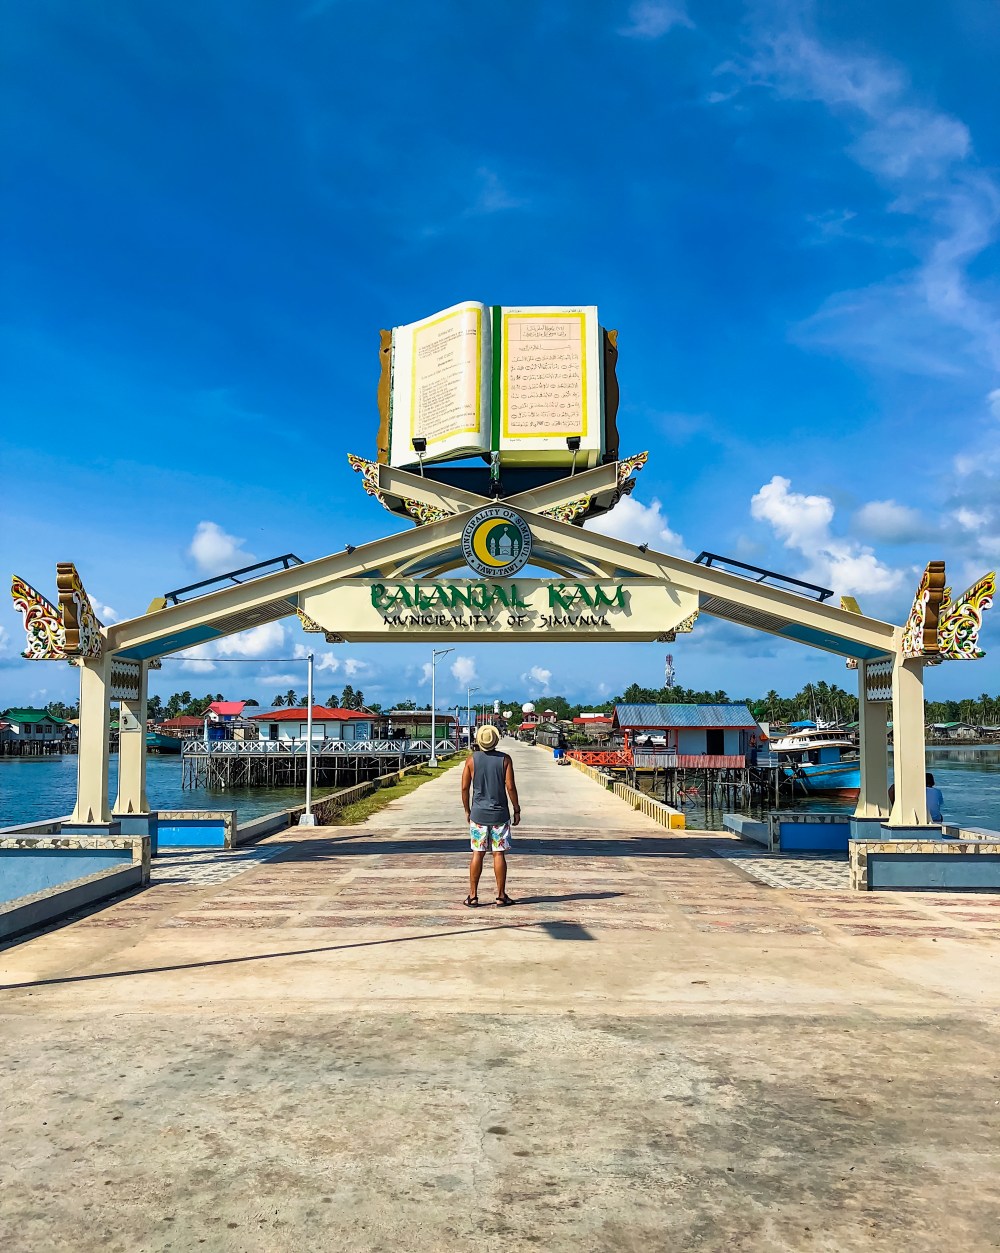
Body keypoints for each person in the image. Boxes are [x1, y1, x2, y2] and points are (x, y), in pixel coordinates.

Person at [461, 723, 520, 907]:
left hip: (478, 815)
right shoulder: (505, 760)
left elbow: (464, 788)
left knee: (477, 853)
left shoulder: (471, 760)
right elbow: (510, 787)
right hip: (500, 815)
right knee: (498, 854)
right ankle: (501, 896)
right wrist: (516, 809)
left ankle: (473, 896)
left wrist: (467, 810)